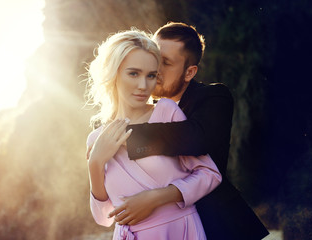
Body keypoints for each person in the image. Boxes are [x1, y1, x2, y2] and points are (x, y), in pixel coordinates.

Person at [109, 22, 270, 240]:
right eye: (154, 58)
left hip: (217, 225)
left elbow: (195, 138)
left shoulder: (214, 97)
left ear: (189, 72)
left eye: (165, 63)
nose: (156, 69)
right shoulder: (141, 110)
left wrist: (121, 136)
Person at [85, 29, 222, 239]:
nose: (143, 86)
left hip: (180, 231)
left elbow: (209, 174)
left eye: (151, 75)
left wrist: (155, 198)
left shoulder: (165, 111)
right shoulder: (96, 138)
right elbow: (104, 218)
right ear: (113, 73)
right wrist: (95, 163)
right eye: (133, 73)